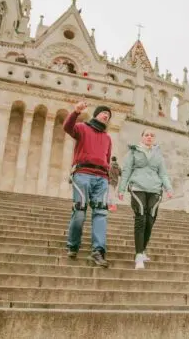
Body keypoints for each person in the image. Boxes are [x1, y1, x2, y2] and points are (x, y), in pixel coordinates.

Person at [63, 100, 113, 267]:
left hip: (102, 178)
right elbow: (67, 128)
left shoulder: (107, 138)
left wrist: (107, 178)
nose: (106, 115)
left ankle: (98, 251)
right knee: (80, 211)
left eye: (109, 115)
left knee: (101, 213)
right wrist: (75, 112)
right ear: (96, 114)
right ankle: (73, 245)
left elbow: (107, 159)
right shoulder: (82, 128)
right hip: (83, 174)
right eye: (103, 112)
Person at [117, 129, 173, 270]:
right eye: (146, 135)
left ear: (154, 139)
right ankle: (139, 255)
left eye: (152, 135)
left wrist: (169, 188)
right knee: (141, 218)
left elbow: (163, 174)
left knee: (150, 219)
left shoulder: (158, 154)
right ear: (141, 137)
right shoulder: (134, 152)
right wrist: (122, 189)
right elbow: (126, 170)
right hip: (137, 187)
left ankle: (142, 250)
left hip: (155, 189)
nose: (149, 137)